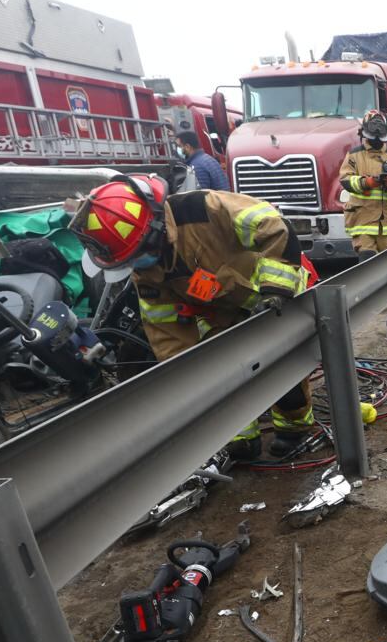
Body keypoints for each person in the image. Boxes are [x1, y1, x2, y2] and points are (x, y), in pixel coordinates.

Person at [68, 176, 313, 459]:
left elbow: (273, 227)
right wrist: (186, 377)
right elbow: (167, 332)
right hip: (221, 314)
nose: (138, 266)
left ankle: (293, 429)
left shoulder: (203, 209)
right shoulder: (147, 273)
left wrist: (276, 290)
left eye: (138, 256)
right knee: (220, 372)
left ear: (154, 229)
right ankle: (240, 438)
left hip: (271, 297)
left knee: (282, 368)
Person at [337, 111, 387, 257]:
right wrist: (366, 183)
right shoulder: (354, 156)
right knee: (368, 263)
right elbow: (345, 179)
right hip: (363, 220)